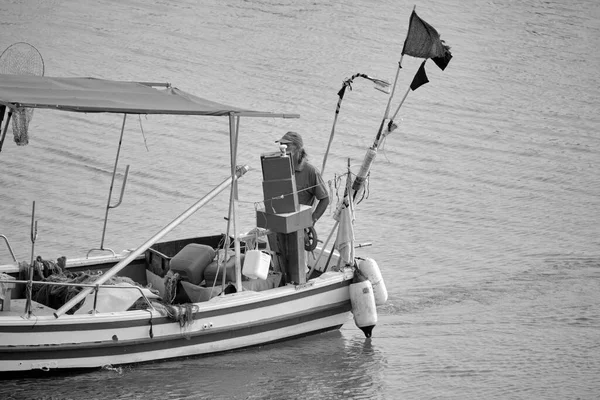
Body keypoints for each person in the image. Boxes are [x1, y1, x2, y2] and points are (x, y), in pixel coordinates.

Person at [276, 131, 329, 225]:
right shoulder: (278, 168)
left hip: (299, 223)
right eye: (281, 144)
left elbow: (324, 199)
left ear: (297, 148)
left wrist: (312, 220)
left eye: (287, 145)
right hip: (280, 221)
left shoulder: (311, 171)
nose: (282, 148)